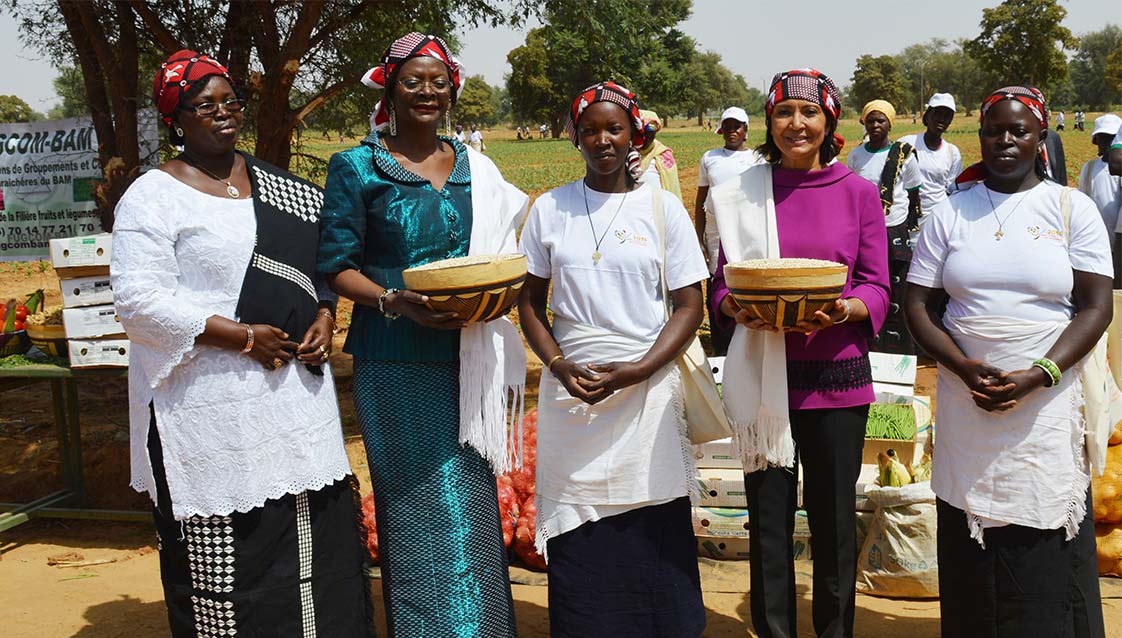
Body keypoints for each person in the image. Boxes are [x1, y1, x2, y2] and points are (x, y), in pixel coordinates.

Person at [112, 50, 372, 637]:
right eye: (205, 105)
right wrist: (240, 336)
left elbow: (321, 268)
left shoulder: (282, 190)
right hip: (209, 415)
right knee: (232, 575)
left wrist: (327, 317)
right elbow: (136, 300)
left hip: (294, 409)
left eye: (231, 102)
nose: (224, 114)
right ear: (176, 119)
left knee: (314, 554)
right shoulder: (153, 196)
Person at [319, 33, 528, 636]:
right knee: (417, 505)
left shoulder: (475, 168)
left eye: (438, 81)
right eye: (413, 80)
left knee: (472, 505)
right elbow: (335, 265)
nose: (427, 91)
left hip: (468, 356)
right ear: (390, 87)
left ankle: (483, 627)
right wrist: (392, 301)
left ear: (453, 90)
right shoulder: (357, 167)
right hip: (395, 362)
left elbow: (499, 251)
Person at [904, 86, 1110, 638]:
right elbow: (917, 305)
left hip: (1045, 396)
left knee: (1039, 527)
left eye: (1019, 129)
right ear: (981, 137)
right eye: (994, 129)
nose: (1005, 140)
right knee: (970, 527)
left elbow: (1095, 308)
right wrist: (965, 368)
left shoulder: (1071, 208)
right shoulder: (952, 210)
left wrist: (1038, 374)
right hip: (965, 393)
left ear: (1040, 136)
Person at [518, 81, 709, 638]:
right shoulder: (550, 208)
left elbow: (688, 304)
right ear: (575, 137)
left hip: (646, 390)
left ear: (633, 135)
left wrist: (640, 370)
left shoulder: (662, 208)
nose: (602, 139)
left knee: (652, 517)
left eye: (614, 128)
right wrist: (557, 367)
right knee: (580, 525)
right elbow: (528, 303)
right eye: (590, 130)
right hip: (571, 393)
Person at [708, 68, 890, 638]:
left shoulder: (857, 192)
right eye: (784, 113)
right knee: (768, 525)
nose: (797, 124)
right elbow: (721, 284)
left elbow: (877, 286)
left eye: (809, 113)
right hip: (766, 379)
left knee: (835, 524)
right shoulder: (742, 194)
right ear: (770, 121)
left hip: (836, 381)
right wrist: (737, 307)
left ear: (829, 121)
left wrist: (844, 310)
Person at [846, 99, 923, 354]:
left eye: (881, 120)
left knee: (897, 285)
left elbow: (913, 193)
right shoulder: (856, 155)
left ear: (890, 123)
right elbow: (849, 193)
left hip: (895, 227)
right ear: (864, 123)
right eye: (871, 120)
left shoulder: (904, 155)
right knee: (868, 282)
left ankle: (898, 347)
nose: (876, 125)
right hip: (865, 229)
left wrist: (912, 228)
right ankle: (870, 344)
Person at [694, 106, 764, 355]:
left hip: (746, 233)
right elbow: (701, 199)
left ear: (746, 130)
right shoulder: (709, 157)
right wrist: (698, 237)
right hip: (715, 235)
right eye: (727, 126)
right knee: (717, 282)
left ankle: (748, 345)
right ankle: (722, 347)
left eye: (737, 126)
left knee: (744, 283)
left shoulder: (757, 158)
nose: (731, 130)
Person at [898, 93, 962, 224]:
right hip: (908, 218)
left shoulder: (952, 152)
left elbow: (952, 190)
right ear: (928, 116)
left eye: (947, 116)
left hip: (939, 218)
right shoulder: (906, 144)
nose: (942, 119)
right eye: (938, 113)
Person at [1077, 114, 1122, 240]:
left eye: (1112, 138)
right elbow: (1082, 201)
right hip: (1097, 238)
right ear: (1096, 140)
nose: (1108, 143)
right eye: (1103, 138)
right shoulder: (1089, 168)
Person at [636, 109, 683, 202]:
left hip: (658, 208)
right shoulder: (623, 155)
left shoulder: (663, 155)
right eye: (640, 131)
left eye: (650, 130)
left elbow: (673, 187)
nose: (645, 136)